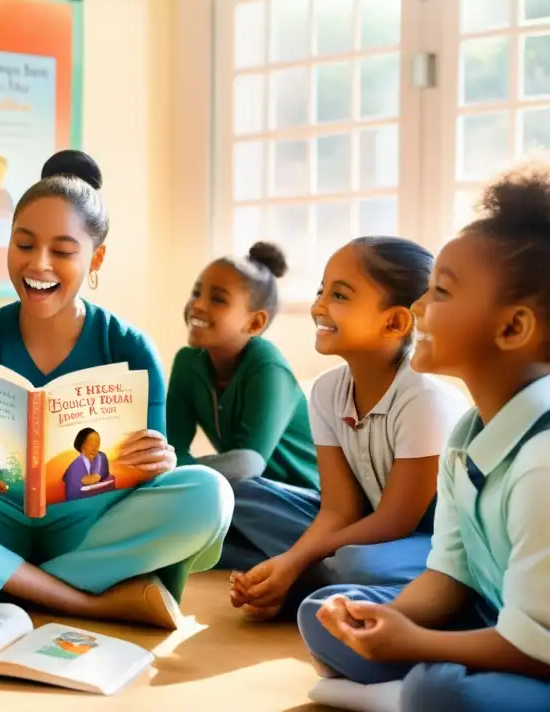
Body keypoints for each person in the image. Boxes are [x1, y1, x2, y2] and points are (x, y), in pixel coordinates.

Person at [0, 150, 234, 629]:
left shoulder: (131, 348)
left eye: (63, 251)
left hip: (91, 523)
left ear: (96, 257)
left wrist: (162, 460)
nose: (39, 265)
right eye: (24, 244)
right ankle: (80, 600)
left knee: (209, 493)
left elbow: (148, 478)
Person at [299, 163, 550, 712]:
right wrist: (391, 620)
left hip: (537, 652)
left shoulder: (543, 464)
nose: (417, 309)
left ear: (512, 328)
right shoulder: (466, 433)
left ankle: (403, 696)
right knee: (325, 609)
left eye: (440, 292)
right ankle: (408, 689)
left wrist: (414, 642)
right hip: (489, 616)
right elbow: (447, 574)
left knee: (438, 691)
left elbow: (539, 650)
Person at [229, 237, 468, 621]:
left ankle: (294, 578)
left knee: (358, 563)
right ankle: (299, 576)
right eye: (321, 290)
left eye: (339, 295)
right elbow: (339, 509)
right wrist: (298, 557)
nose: (318, 305)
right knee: (242, 495)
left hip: (430, 542)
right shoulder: (326, 391)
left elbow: (396, 521)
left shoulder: (423, 398)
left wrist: (293, 560)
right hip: (361, 527)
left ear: (394, 321)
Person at [168, 242, 319, 572]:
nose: (198, 305)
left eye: (218, 299)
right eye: (197, 292)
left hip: (302, 505)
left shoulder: (267, 366)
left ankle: (305, 559)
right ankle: (280, 563)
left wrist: (178, 478)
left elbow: (247, 464)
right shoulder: (187, 362)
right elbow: (172, 448)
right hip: (247, 498)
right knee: (185, 509)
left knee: (232, 490)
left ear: (254, 323)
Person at [63, 428, 113, 501]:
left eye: (97, 445)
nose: (95, 449)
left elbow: (96, 478)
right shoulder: (74, 466)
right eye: (92, 445)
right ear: (83, 446)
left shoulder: (101, 457)